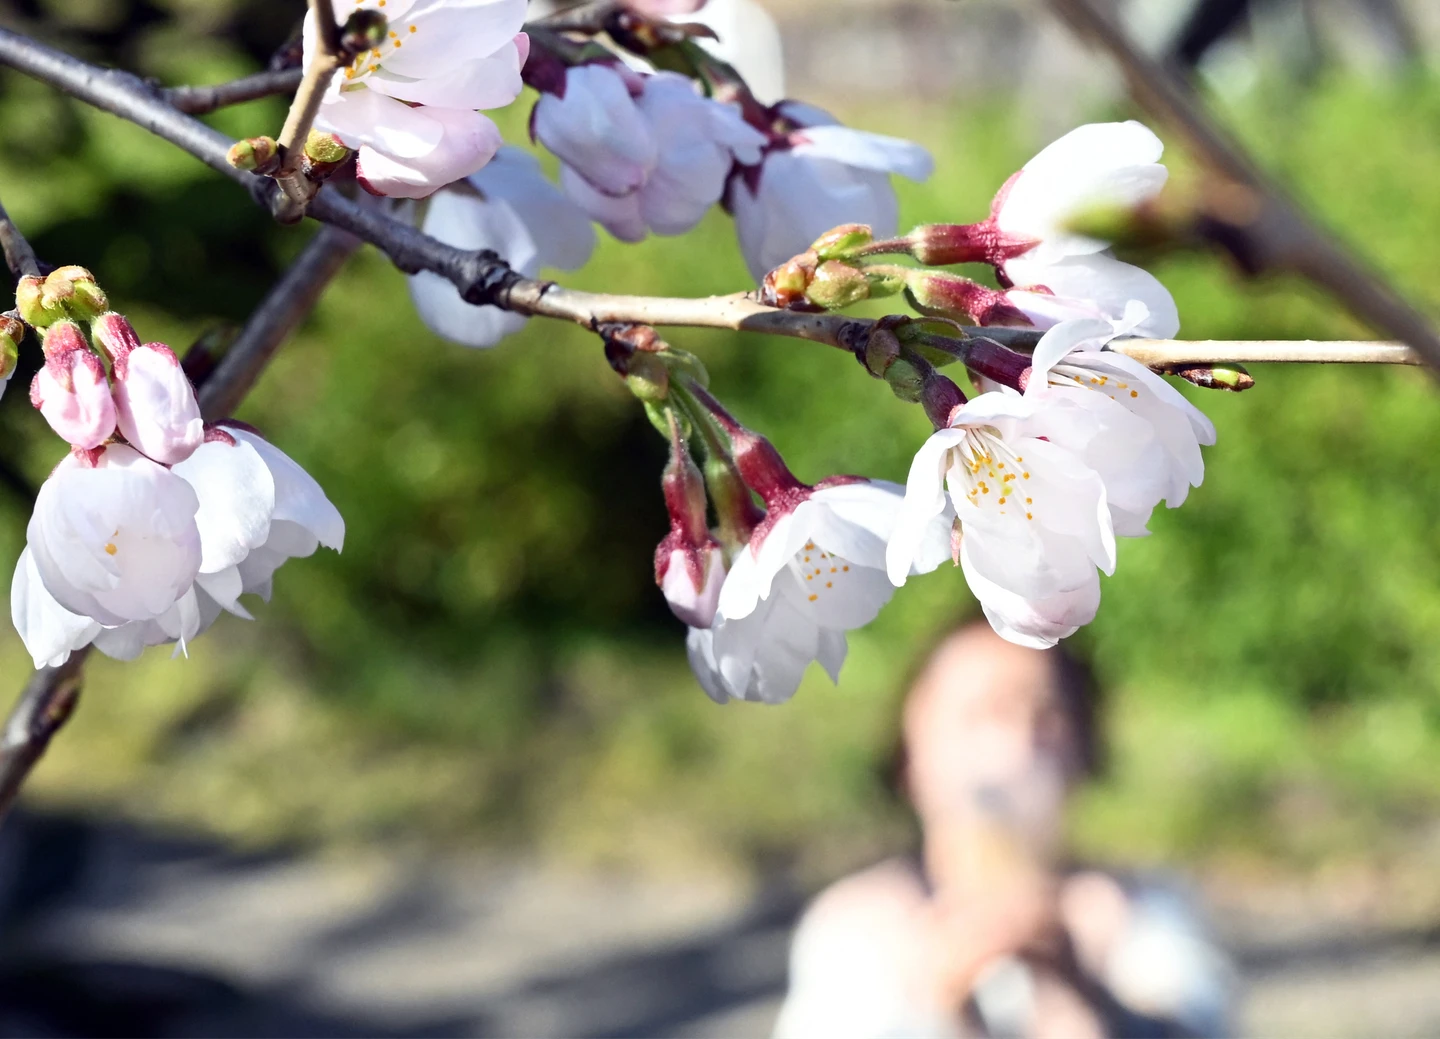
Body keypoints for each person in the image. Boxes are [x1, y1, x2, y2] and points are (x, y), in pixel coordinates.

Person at [772, 620, 1234, 1039]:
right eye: (981, 714)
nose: (1016, 745)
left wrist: (1081, 998)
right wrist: (942, 1010)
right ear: (910, 753)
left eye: (1045, 717)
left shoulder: (1141, 910)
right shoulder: (858, 928)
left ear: (1085, 748)